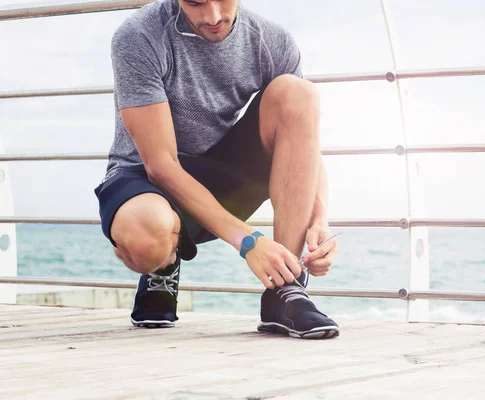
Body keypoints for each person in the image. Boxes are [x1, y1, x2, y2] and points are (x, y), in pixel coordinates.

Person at [94, 0, 340, 339]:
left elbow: (302, 139)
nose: (212, 16)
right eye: (196, 2)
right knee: (145, 236)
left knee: (297, 93)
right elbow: (161, 166)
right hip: (146, 175)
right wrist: (250, 241)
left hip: (220, 173)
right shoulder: (138, 35)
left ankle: (286, 286)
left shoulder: (271, 41)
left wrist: (320, 221)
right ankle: (164, 261)